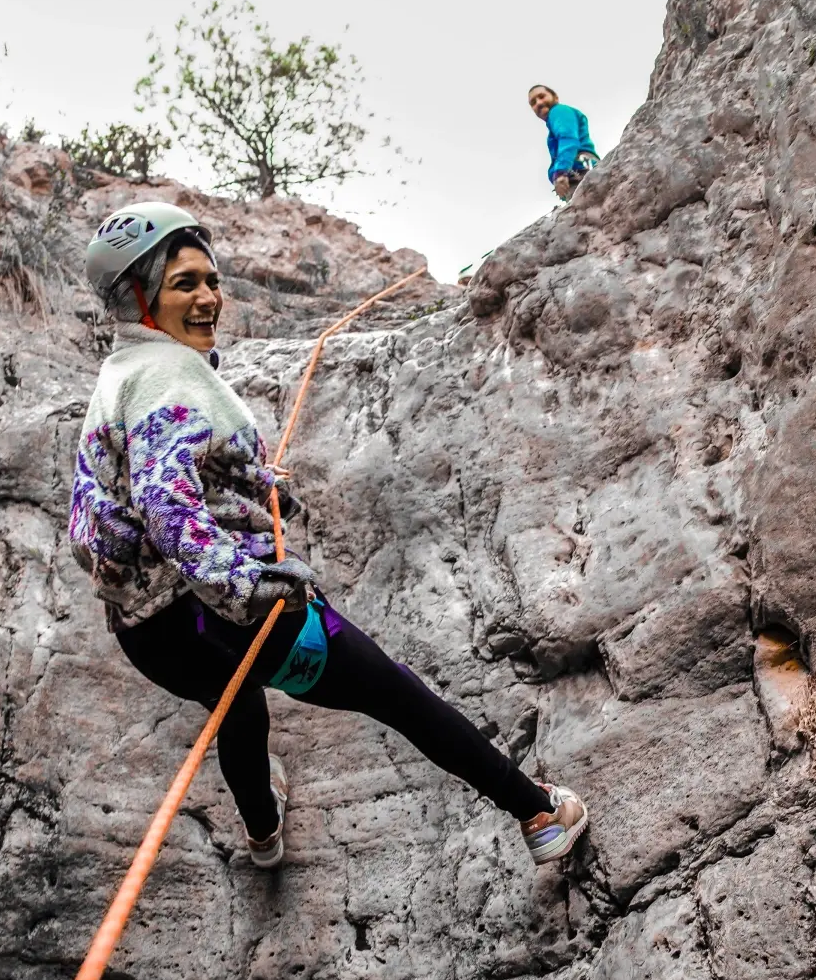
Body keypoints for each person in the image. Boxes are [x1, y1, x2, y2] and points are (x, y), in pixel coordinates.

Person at [69, 202, 590, 870]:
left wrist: (252, 485)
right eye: (184, 284)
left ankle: (263, 835)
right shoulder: (165, 377)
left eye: (212, 280)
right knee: (395, 693)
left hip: (154, 639)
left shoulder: (120, 376)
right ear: (137, 298)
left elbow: (140, 488)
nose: (209, 298)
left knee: (238, 706)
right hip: (226, 620)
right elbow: (167, 505)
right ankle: (539, 813)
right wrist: (249, 584)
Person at [528, 85, 598, 200]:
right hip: (580, 172)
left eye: (541, 96)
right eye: (533, 103)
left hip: (580, 171)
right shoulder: (555, 122)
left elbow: (568, 139)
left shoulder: (558, 111)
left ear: (555, 97)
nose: (539, 103)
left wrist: (560, 172)